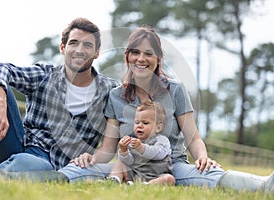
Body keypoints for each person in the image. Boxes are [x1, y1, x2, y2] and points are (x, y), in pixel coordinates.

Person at [69, 25, 273, 192]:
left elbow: (192, 137)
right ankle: (50, 176)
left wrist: (202, 156)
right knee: (82, 169)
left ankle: (264, 185)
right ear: (127, 56)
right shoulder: (116, 95)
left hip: (170, 166)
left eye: (149, 54)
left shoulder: (175, 90)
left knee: (210, 174)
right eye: (136, 53)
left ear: (158, 58)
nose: (141, 59)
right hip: (130, 167)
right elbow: (108, 147)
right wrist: (92, 158)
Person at [0, 17, 118, 179]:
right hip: (16, 144)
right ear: (63, 48)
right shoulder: (45, 75)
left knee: (26, 162)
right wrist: (0, 104)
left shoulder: (109, 91)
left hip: (50, 165)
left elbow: (133, 109)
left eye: (88, 45)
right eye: (74, 43)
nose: (79, 50)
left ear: (97, 52)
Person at [106, 101, 174, 185]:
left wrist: (141, 148)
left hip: (157, 176)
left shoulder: (162, 140)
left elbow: (158, 154)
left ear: (158, 127)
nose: (139, 126)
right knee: (120, 165)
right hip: (136, 174)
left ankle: (148, 185)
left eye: (145, 123)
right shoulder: (134, 142)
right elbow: (129, 161)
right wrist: (123, 151)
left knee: (169, 179)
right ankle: (114, 180)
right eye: (137, 122)